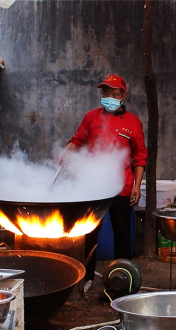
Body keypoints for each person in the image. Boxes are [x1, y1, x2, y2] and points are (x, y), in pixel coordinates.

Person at [57, 74, 147, 287]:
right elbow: (77, 140)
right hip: (94, 186)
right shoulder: (90, 117)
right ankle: (86, 278)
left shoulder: (133, 123)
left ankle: (123, 279)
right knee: (89, 232)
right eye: (105, 93)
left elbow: (140, 156)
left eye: (114, 94)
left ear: (123, 96)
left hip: (122, 187)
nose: (109, 97)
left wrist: (137, 185)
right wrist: (65, 152)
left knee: (123, 234)